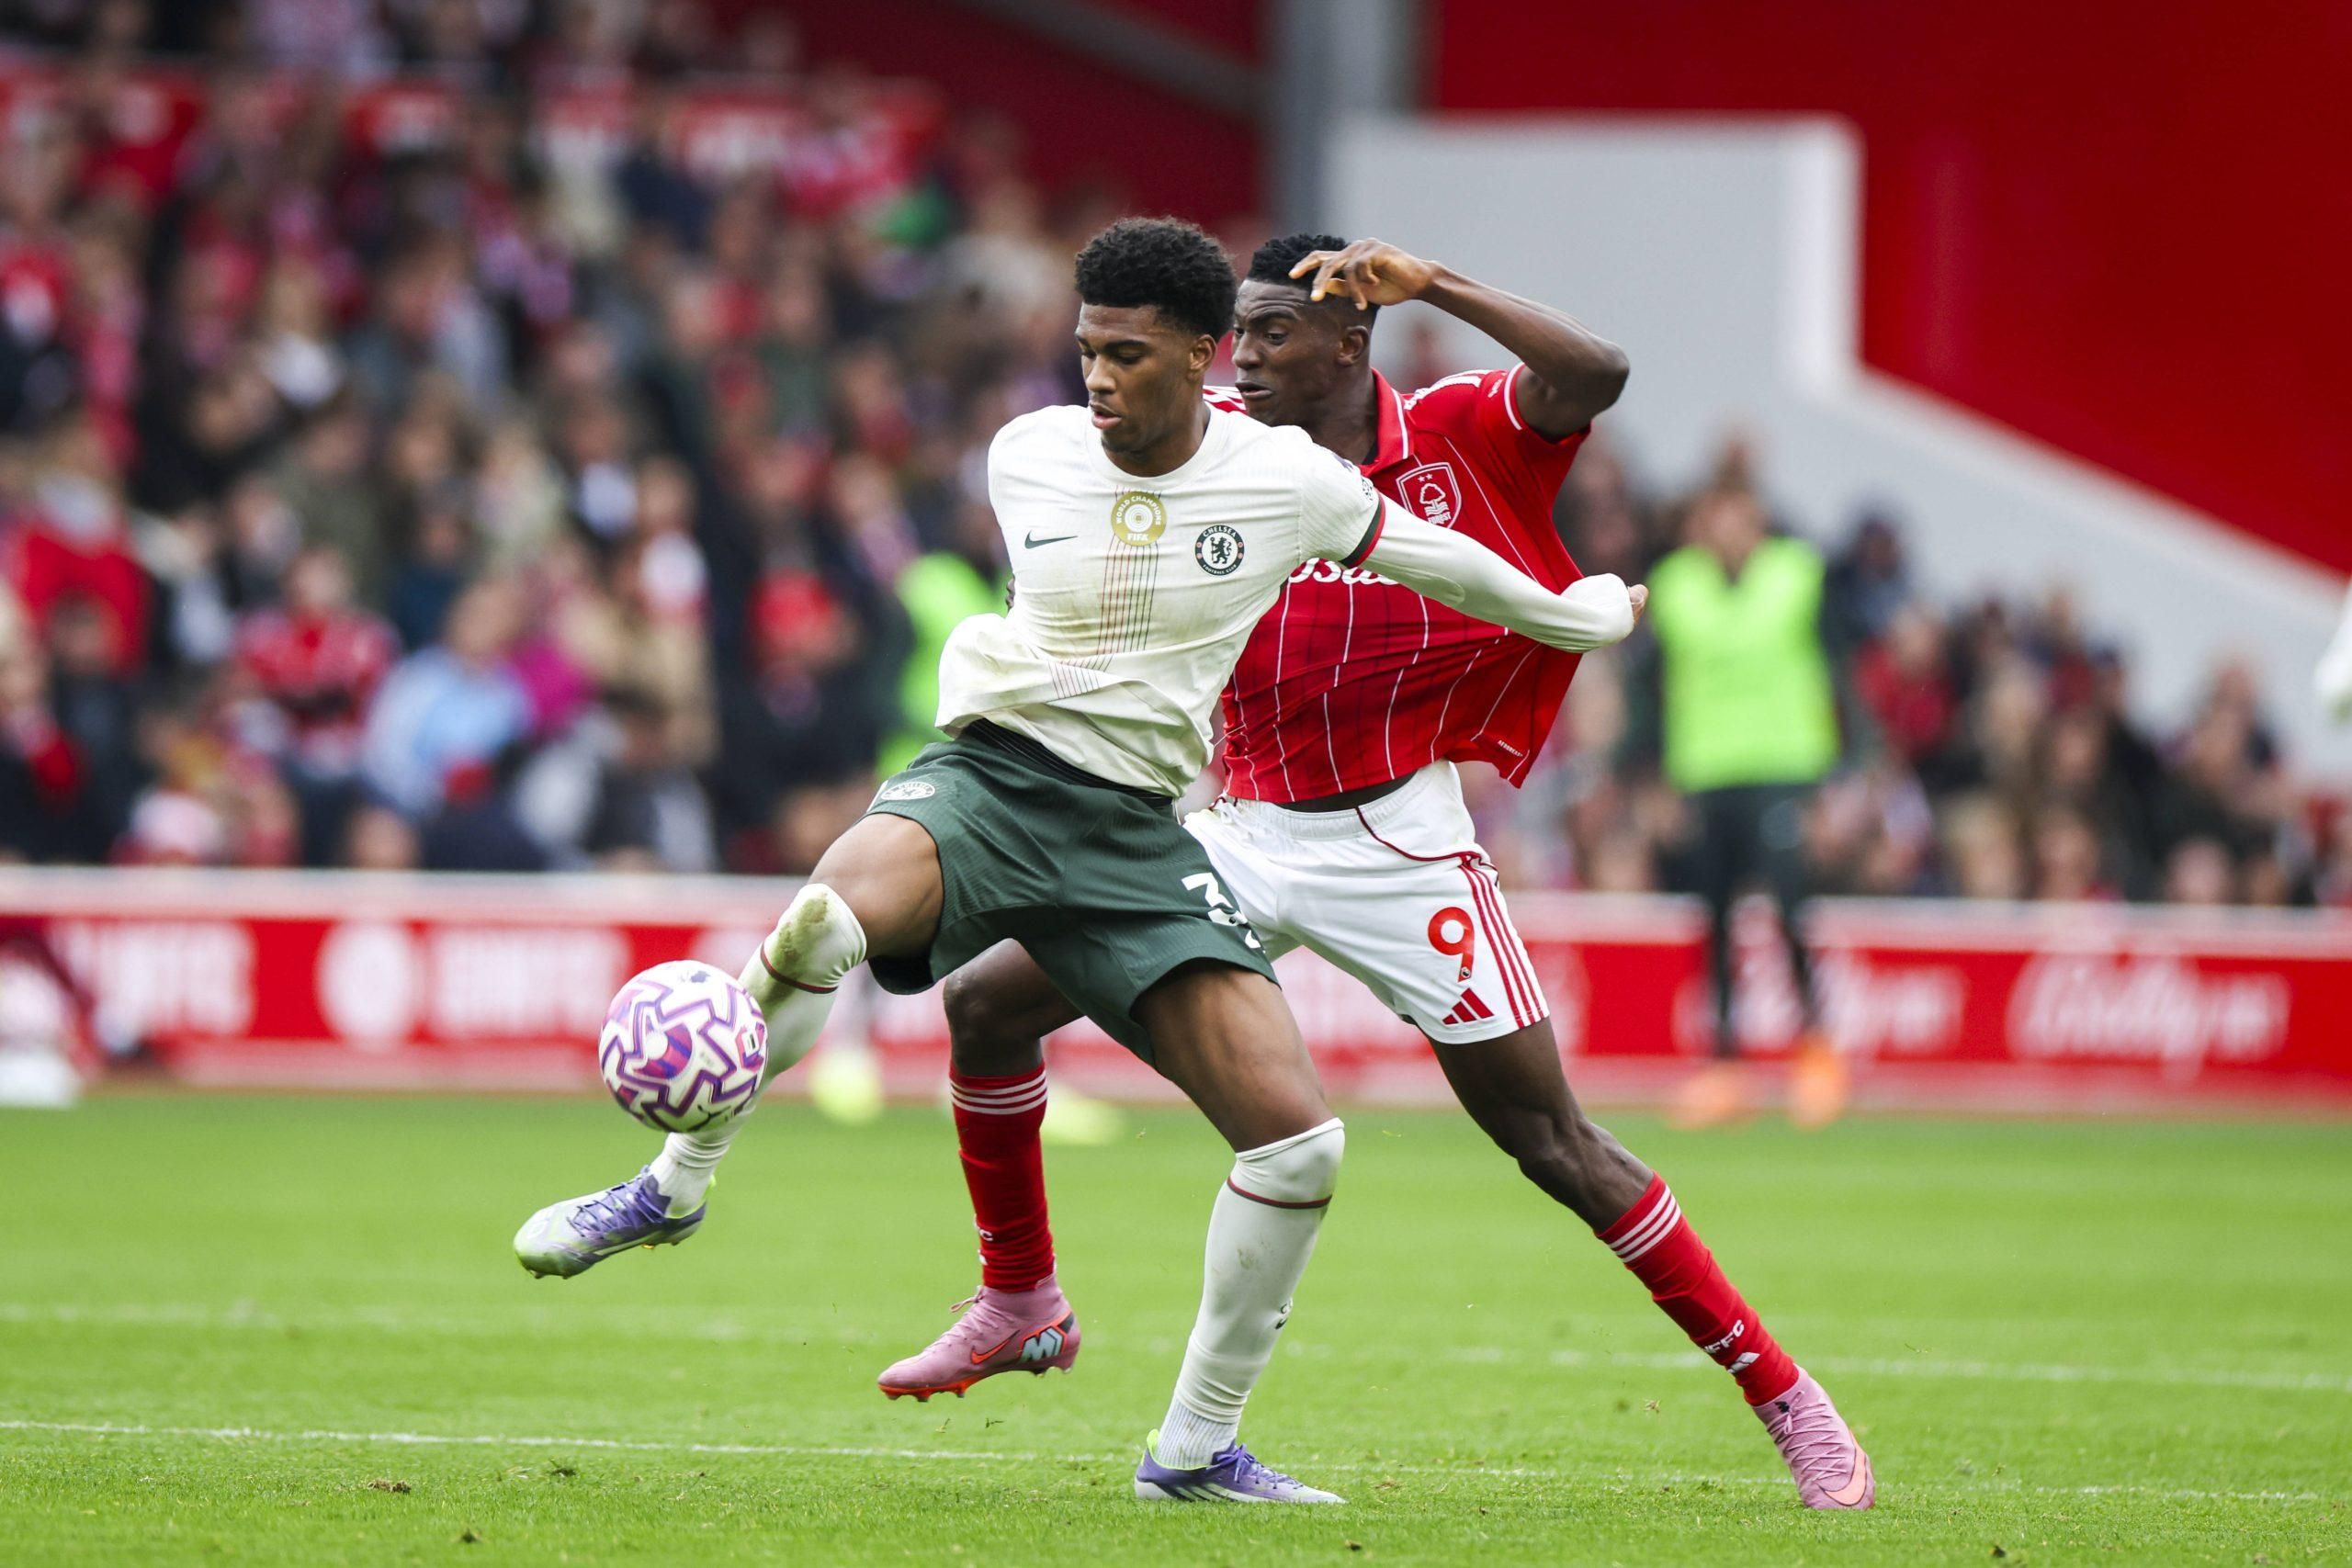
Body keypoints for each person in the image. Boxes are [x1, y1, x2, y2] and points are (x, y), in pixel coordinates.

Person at [513, 218, 1643, 1505]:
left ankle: (1193, 1450)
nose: (1097, 379)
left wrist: (1584, 613)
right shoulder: (1028, 453)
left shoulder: (1288, 482)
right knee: (824, 920)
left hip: (1138, 833)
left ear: (1204, 355)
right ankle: (673, 1185)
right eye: (1086, 350)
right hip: (990, 780)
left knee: (1301, 1149)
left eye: (1128, 355)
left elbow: (1450, 565)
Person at [873, 234, 1875, 1513]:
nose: (1242, 361)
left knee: (1552, 1139)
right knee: (985, 1003)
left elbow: (1600, 372)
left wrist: (1440, 287)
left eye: (1271, 336)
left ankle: (1784, 1391)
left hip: (1402, 839)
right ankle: (1022, 1297)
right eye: (1231, 336)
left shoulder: (1463, 425)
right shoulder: (1218, 441)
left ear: (1351, 344)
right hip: (1234, 823)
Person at [1645, 488, 1848, 1129]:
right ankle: (1726, 1063)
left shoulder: (1798, 576)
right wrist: (1655, 776)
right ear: (1702, 525)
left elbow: (1835, 672)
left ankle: (1815, 1050)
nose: (1730, 533)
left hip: (1784, 766)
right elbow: (1652, 686)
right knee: (1716, 918)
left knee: (1789, 908)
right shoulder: (1675, 586)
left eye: (1741, 520)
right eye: (1718, 519)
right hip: (1706, 769)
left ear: (1760, 524)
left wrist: (1830, 784)